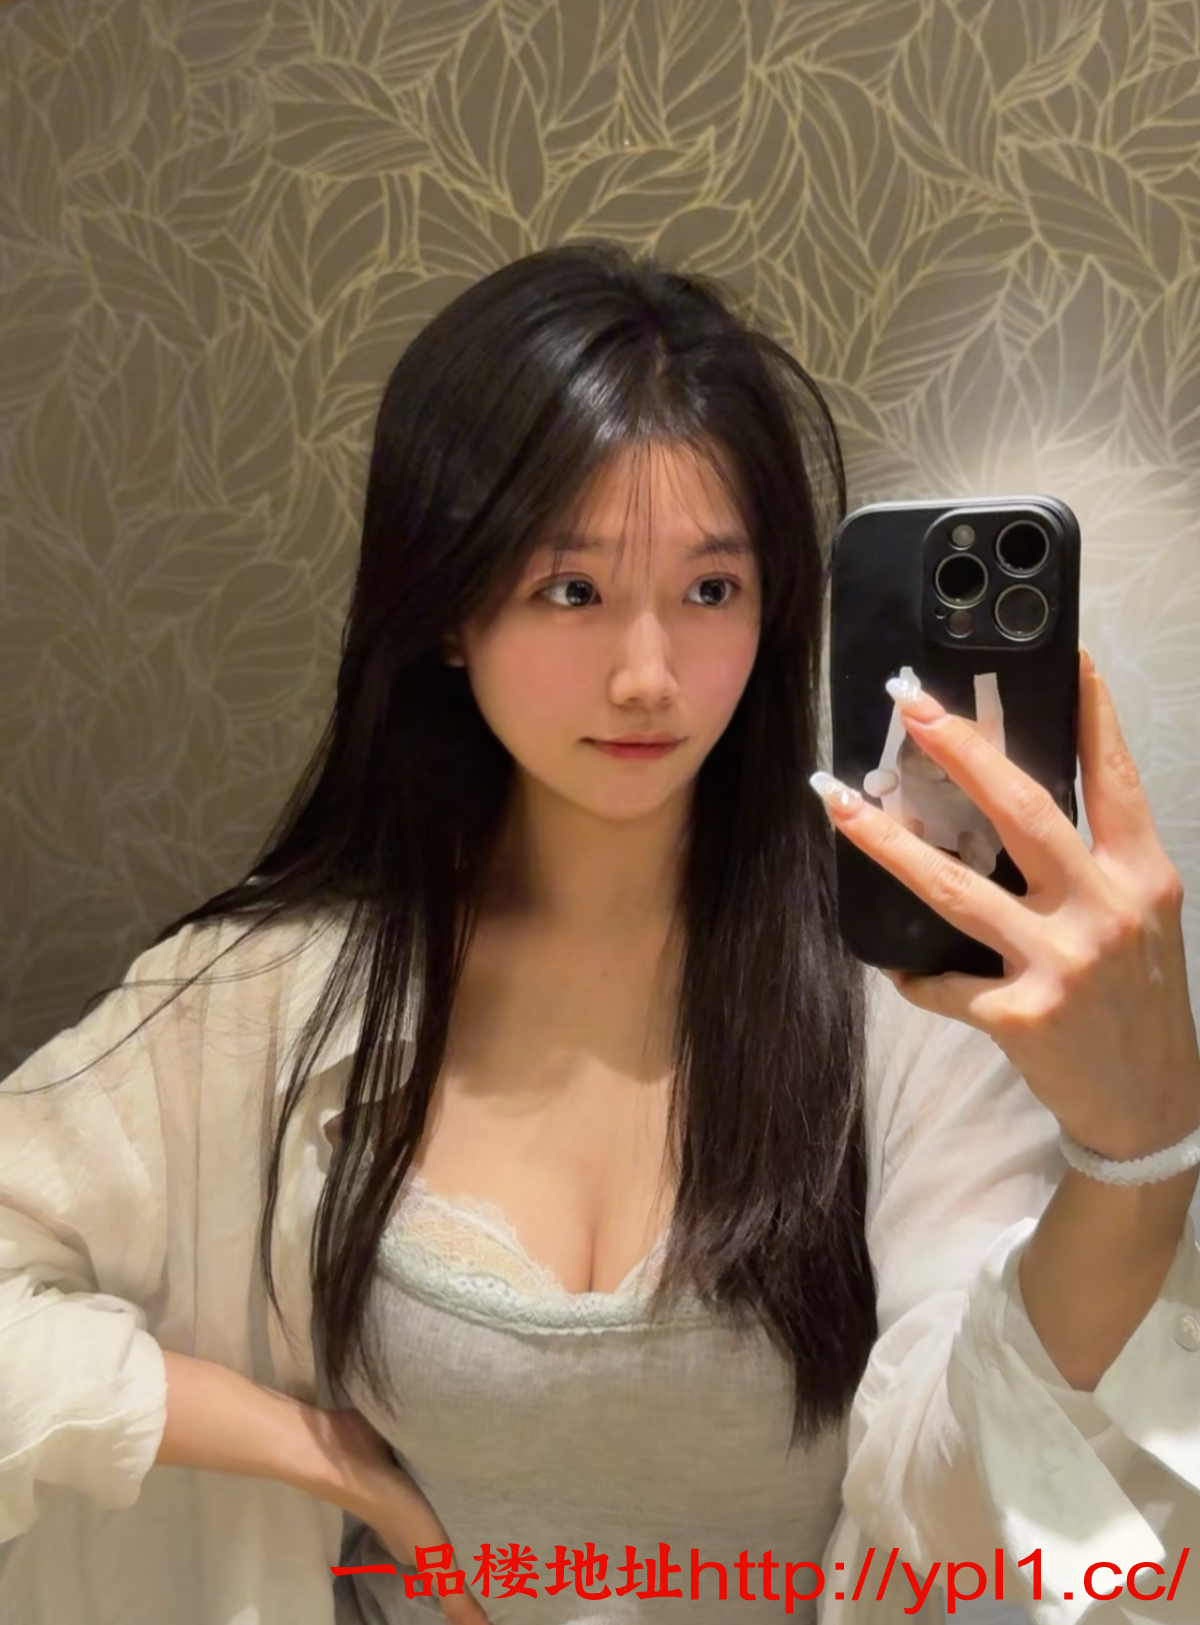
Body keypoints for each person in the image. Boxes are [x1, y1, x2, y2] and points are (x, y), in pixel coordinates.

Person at [0, 242, 1197, 1625]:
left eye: (710, 590)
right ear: (450, 609)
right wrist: (310, 1449)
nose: (648, 675)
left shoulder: (899, 988)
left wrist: (1139, 1154)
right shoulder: (289, 989)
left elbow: (965, 1508)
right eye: (571, 591)